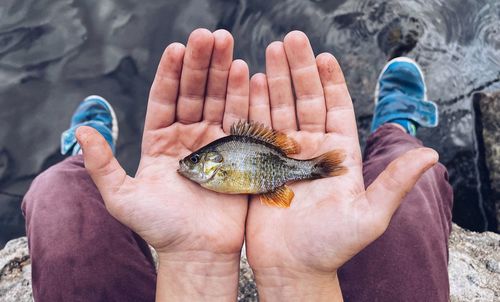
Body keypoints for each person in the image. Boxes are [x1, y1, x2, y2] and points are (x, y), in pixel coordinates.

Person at [21, 29, 452, 301]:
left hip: (275, 169)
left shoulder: (216, 168)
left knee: (56, 190)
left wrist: (193, 267)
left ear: (208, 165)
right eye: (193, 163)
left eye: (193, 162)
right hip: (277, 175)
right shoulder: (216, 169)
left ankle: (79, 158)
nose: (188, 166)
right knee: (413, 175)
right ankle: (395, 130)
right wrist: (303, 282)